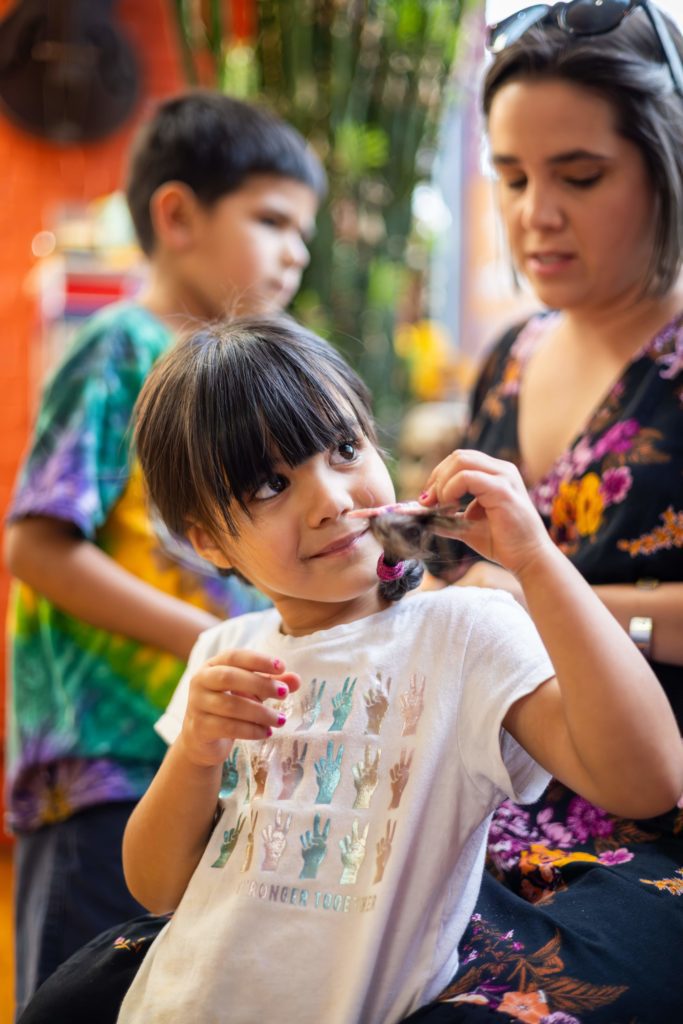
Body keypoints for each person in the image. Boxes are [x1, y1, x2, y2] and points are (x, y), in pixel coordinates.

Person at [18, 315, 683, 1024]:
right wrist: (194, 752)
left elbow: (644, 780)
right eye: (270, 485)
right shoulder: (227, 653)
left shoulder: (461, 633)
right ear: (208, 539)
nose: (331, 499)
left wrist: (537, 562)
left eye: (342, 448)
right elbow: (159, 890)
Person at [4, 89, 325, 1015]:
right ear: (177, 215)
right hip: (107, 759)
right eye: (271, 220)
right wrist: (208, 641)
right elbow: (36, 543)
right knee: (88, 988)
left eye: (303, 230)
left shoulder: (252, 379)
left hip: (208, 762)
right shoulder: (120, 347)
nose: (295, 250)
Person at [426, 4, 683, 1021]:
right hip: (492, 789)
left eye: (577, 177)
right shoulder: (509, 358)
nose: (534, 212)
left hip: (652, 821)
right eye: (511, 176)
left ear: (662, 168)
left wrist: (549, 593)